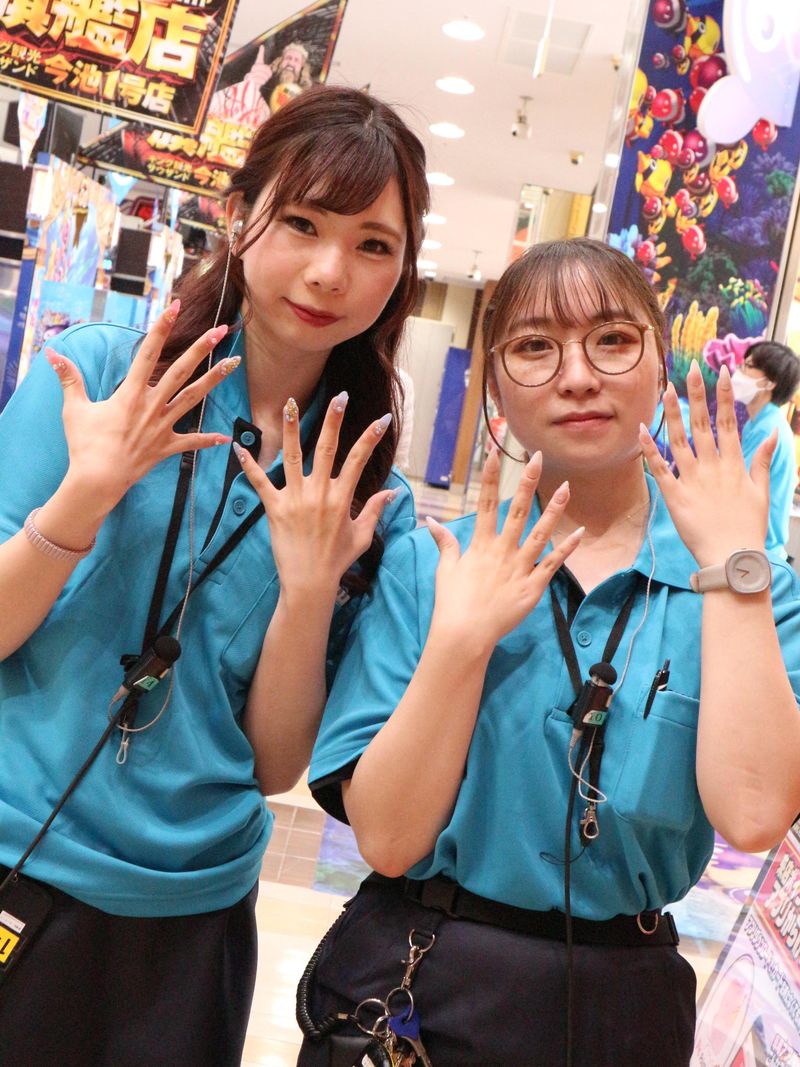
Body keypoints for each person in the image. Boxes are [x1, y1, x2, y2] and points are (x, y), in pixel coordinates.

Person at [0, 85, 429, 1066]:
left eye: (373, 244)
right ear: (239, 218)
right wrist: (85, 496)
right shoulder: (97, 378)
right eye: (302, 223)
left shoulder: (364, 497)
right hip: (14, 851)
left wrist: (309, 588)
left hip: (189, 916)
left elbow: (273, 764)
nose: (329, 271)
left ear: (402, 273)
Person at [297, 239, 800, 1066]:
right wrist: (460, 642)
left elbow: (752, 815)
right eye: (535, 346)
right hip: (420, 984)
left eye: (613, 339)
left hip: (625, 1006)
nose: (577, 376)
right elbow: (385, 838)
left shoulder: (743, 584)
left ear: (661, 363)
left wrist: (733, 573)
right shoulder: (431, 563)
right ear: (495, 386)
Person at [732, 340, 800, 558]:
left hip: (758, 552)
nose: (739, 371)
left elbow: (738, 487)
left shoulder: (767, 429)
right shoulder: (760, 423)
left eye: (748, 366)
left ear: (770, 383)